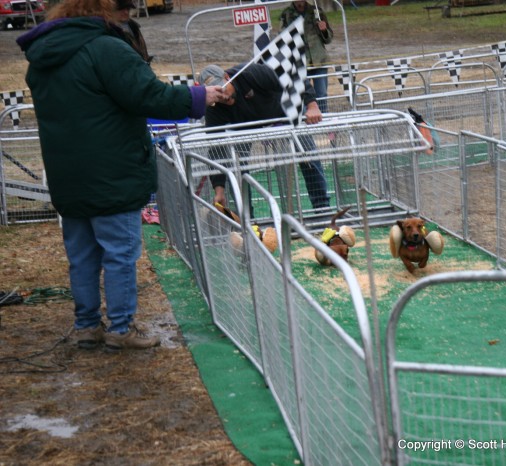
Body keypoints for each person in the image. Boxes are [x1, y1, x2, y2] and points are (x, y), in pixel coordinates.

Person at [15, 0, 230, 351]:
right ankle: (120, 327)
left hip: (68, 173)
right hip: (112, 172)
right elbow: (148, 95)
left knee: (82, 254)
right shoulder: (106, 49)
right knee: (120, 252)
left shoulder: (43, 57)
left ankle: (86, 326)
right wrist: (197, 96)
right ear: (101, 7)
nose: (129, 13)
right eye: (123, 6)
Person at [199, 63, 330, 214]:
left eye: (222, 89)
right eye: (216, 95)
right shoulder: (214, 108)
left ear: (227, 77)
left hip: (282, 110)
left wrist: (312, 105)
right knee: (237, 168)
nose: (223, 97)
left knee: (307, 152)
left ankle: (323, 209)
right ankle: (247, 219)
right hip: (244, 127)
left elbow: (292, 75)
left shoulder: (251, 73)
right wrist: (219, 190)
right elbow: (217, 149)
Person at [280, 0, 333, 113]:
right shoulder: (286, 14)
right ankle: (306, 123)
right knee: (303, 95)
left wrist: (324, 30)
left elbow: (328, 38)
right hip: (299, 62)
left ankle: (326, 122)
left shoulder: (317, 11)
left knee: (322, 94)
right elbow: (283, 41)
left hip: (319, 60)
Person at [114, 0, 152, 64]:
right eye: (121, 9)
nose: (126, 12)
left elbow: (142, 51)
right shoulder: (110, 31)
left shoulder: (133, 26)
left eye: (128, 9)